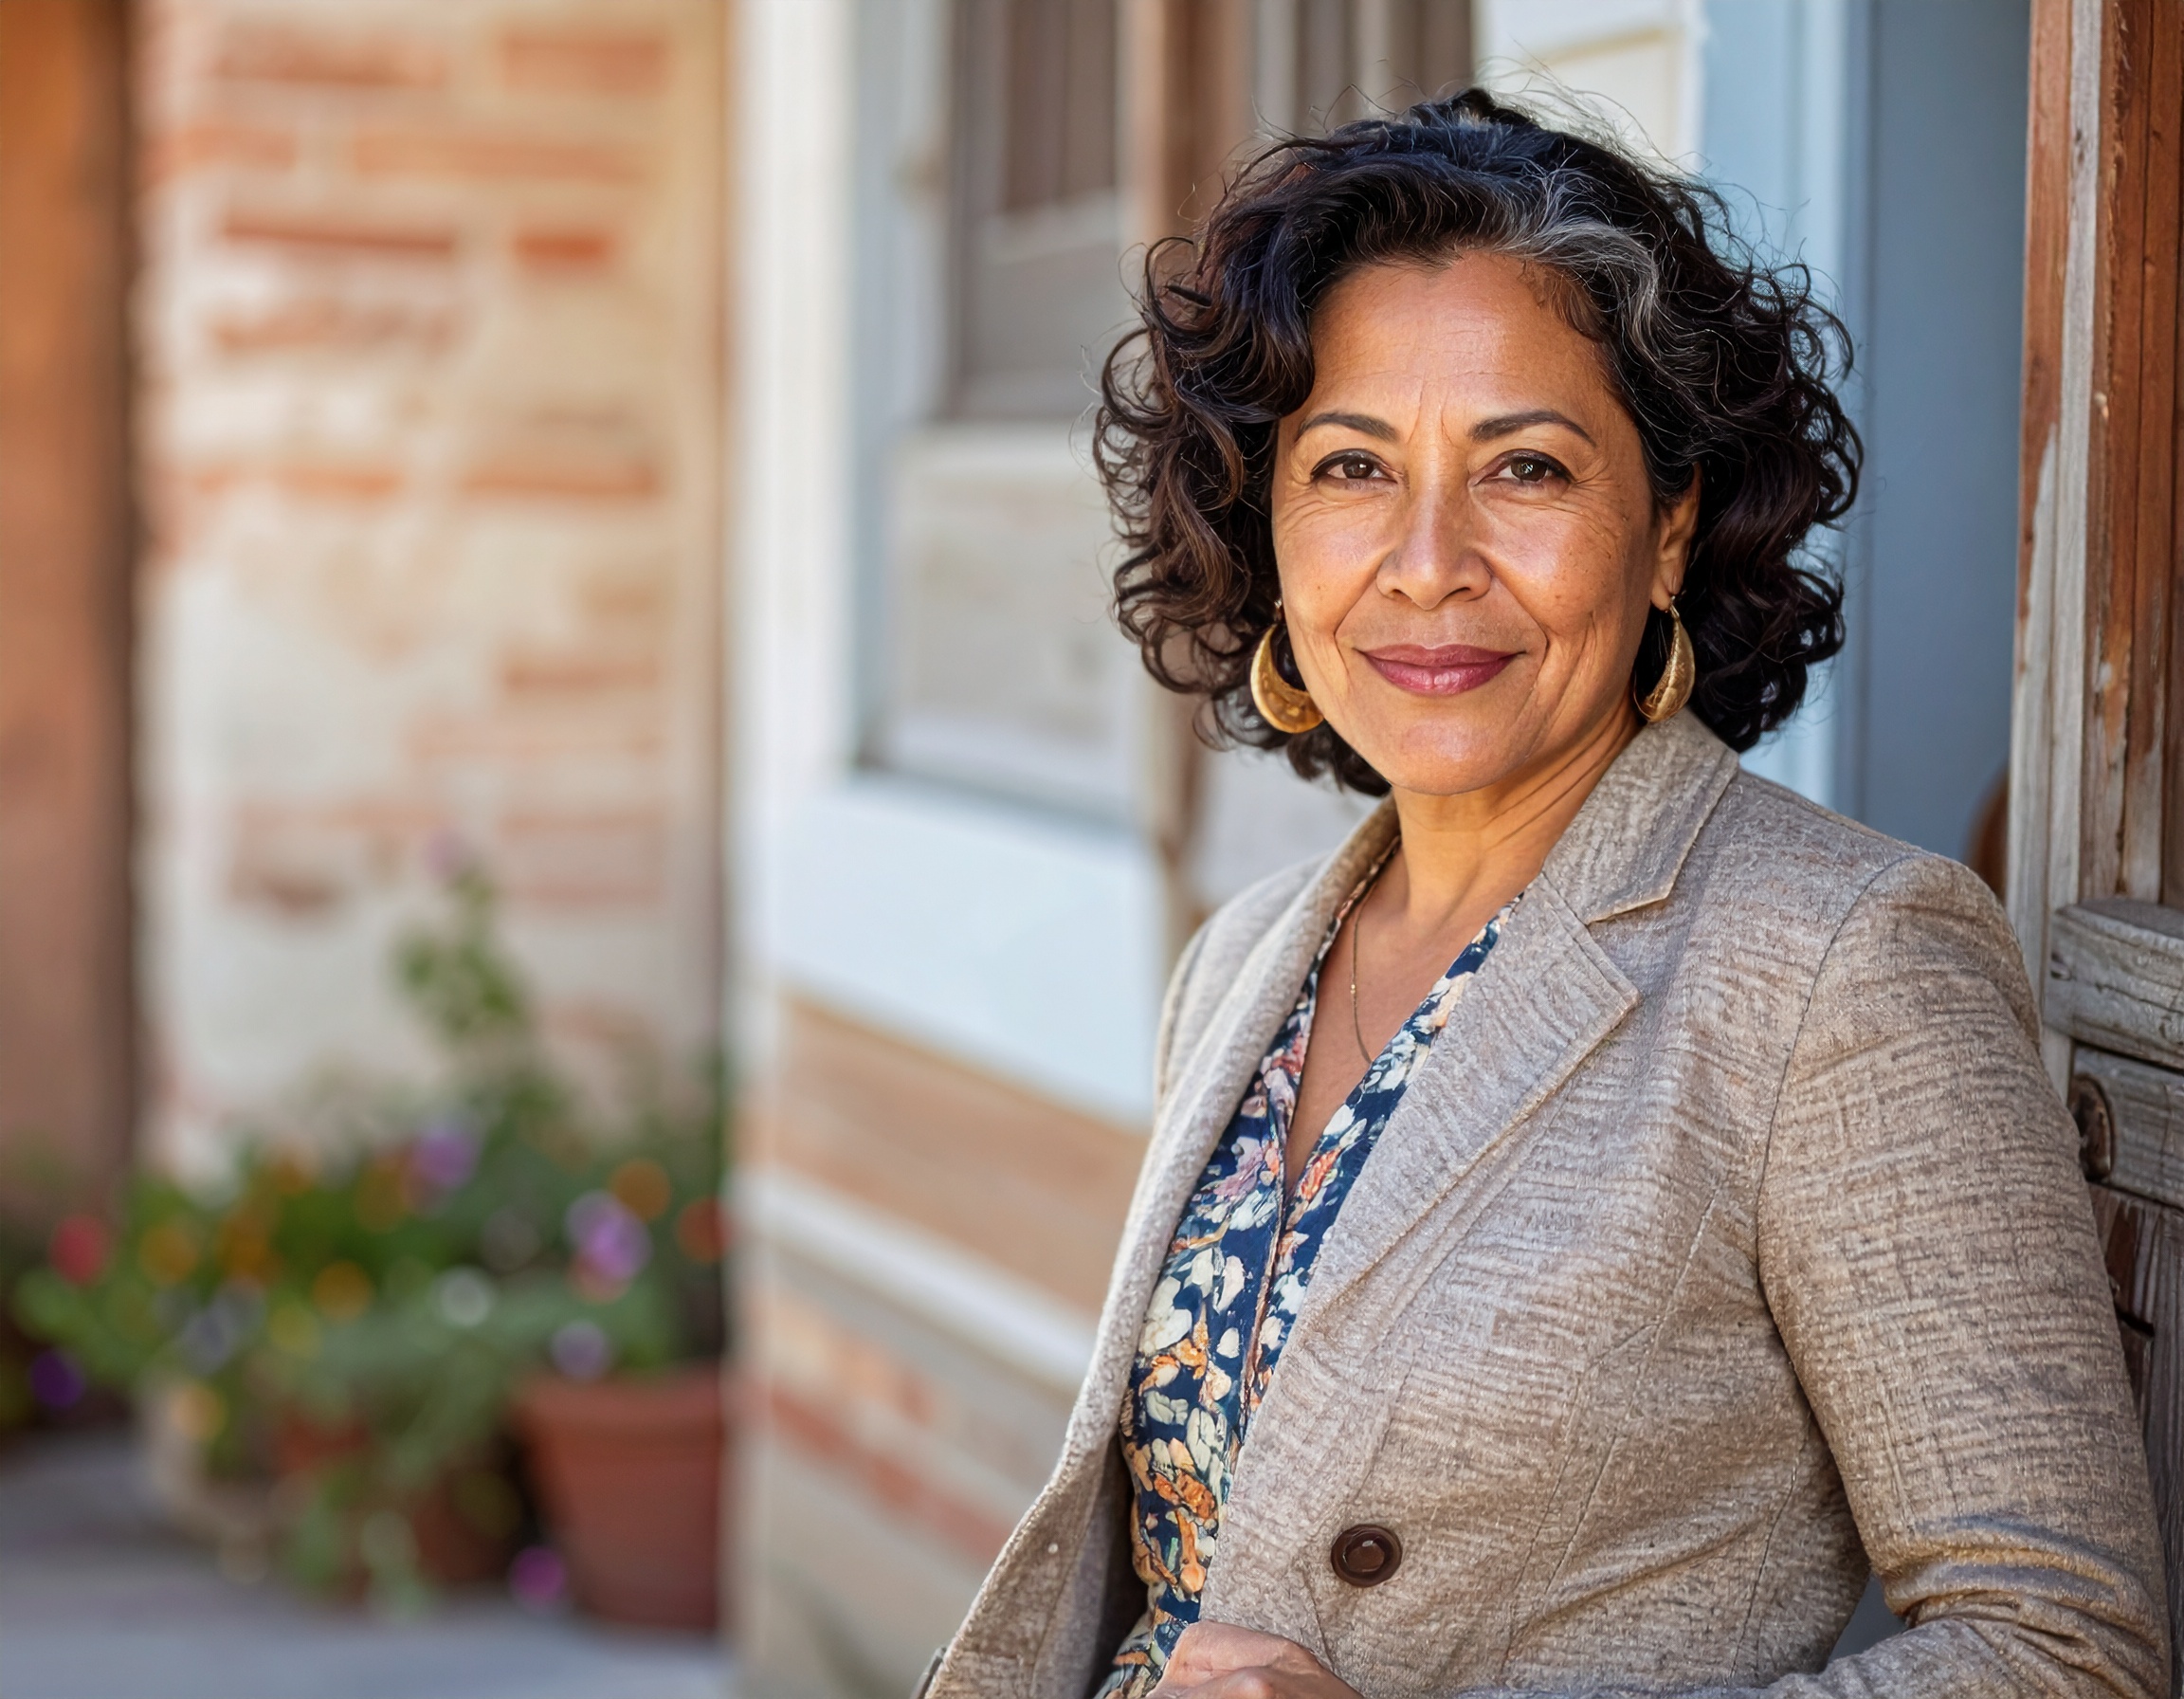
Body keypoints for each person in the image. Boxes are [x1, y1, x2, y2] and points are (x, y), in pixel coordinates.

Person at [920, 91, 2167, 1699]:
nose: (1429, 560)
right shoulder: (1242, 958)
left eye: (1525, 467)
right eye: (1352, 465)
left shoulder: (1843, 966)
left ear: (1668, 529)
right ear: (1267, 526)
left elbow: (2066, 1652)